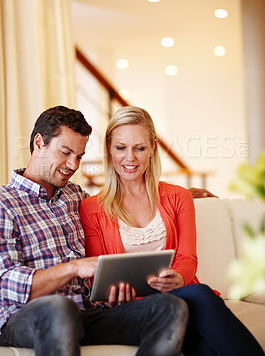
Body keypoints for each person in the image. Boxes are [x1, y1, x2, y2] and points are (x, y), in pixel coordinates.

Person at [0, 106, 189, 356]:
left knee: (170, 306)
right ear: (39, 142)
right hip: (26, 318)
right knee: (59, 308)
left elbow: (120, 198)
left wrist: (179, 194)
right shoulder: (4, 203)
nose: (72, 165)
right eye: (65, 152)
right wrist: (74, 268)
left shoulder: (74, 195)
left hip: (86, 314)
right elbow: (5, 284)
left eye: (79, 156)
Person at [80, 106, 264, 356]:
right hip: (134, 310)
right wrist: (111, 294)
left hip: (181, 296)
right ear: (109, 148)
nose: (130, 158)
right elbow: (97, 276)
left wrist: (178, 277)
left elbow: (187, 258)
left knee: (206, 341)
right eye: (121, 148)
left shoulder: (178, 197)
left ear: (153, 147)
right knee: (200, 294)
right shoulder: (91, 208)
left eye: (139, 148)